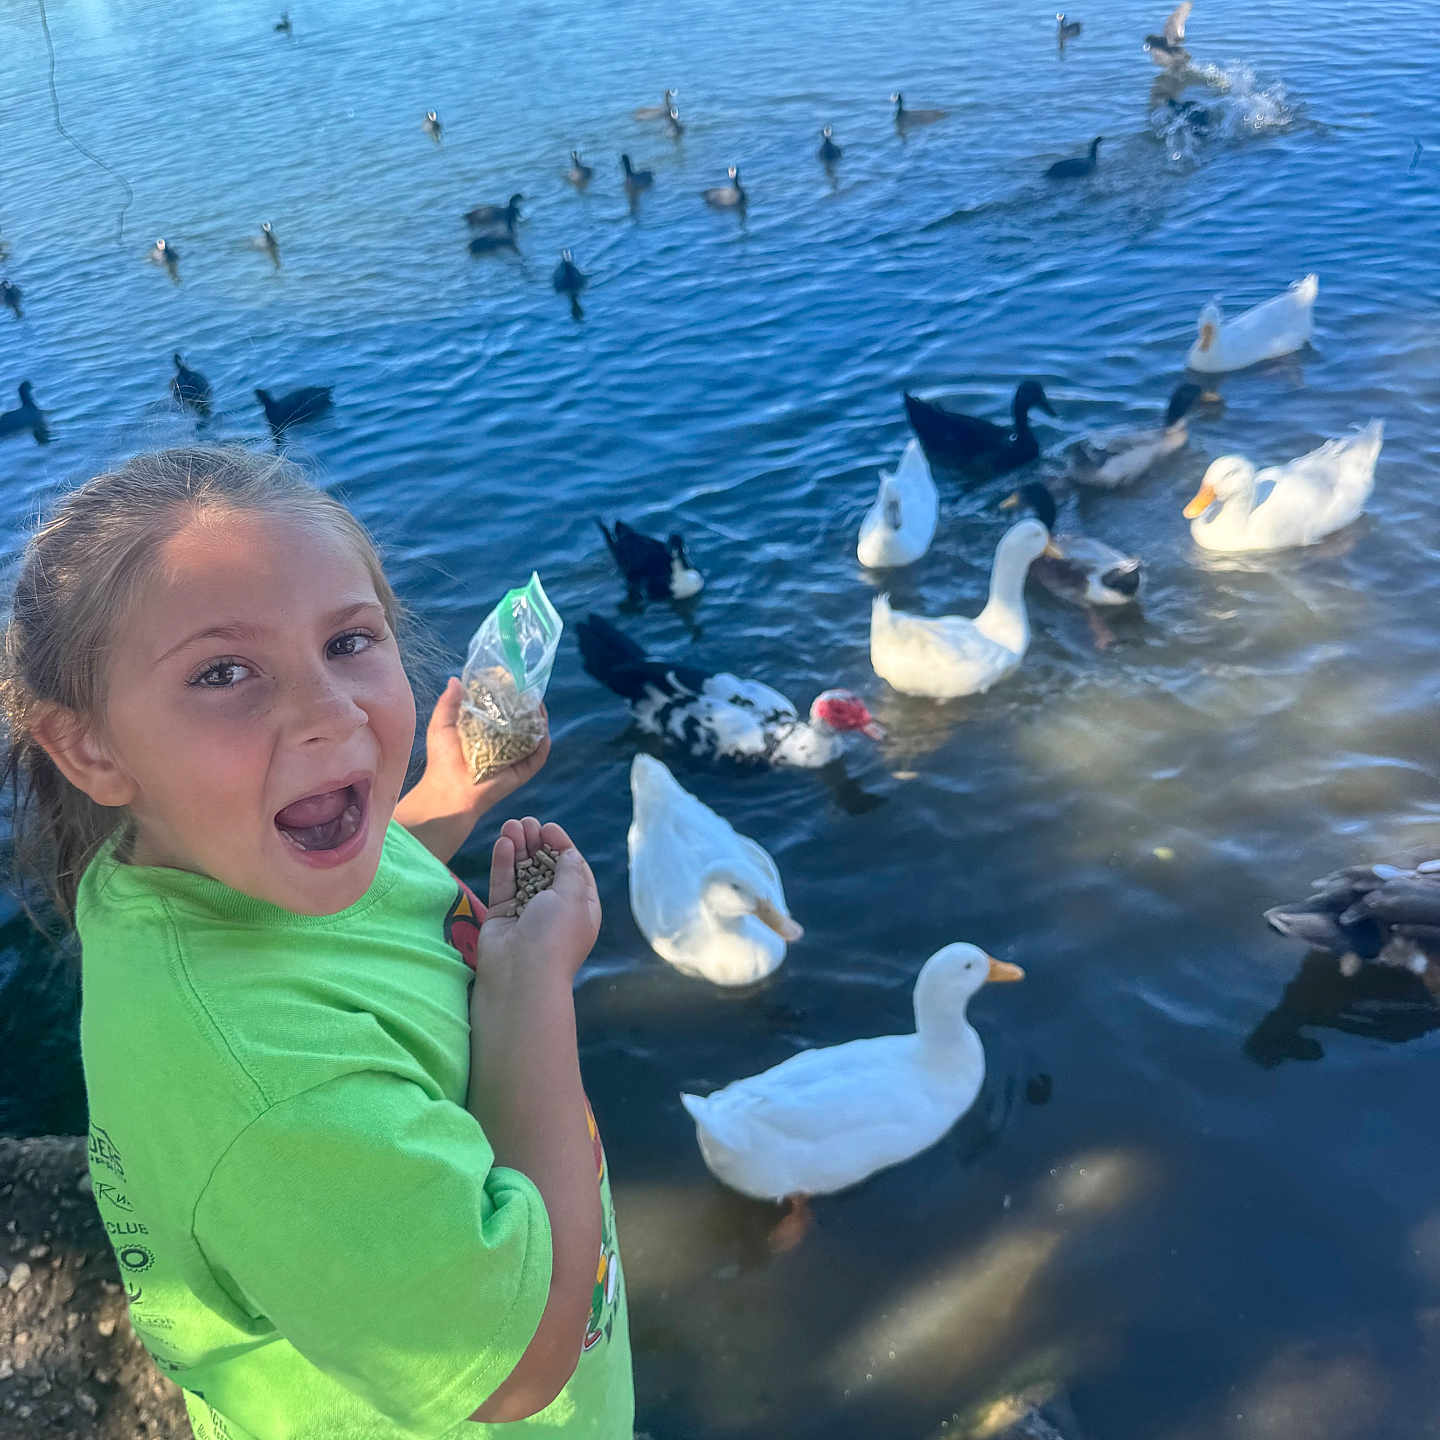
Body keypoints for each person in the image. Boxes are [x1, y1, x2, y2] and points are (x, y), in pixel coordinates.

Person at [0, 447, 632, 1438]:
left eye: (348, 641)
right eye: (222, 672)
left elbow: (340, 914)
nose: (330, 715)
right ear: (89, 746)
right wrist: (529, 986)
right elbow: (518, 1364)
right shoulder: (274, 1100)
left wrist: (446, 796)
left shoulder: (187, 856)